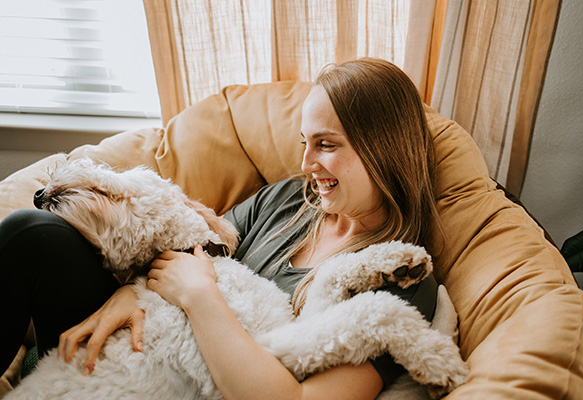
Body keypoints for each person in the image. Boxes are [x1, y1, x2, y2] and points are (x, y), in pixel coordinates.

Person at [0, 57, 443, 399]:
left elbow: (299, 398)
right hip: (142, 345)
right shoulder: (290, 199)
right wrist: (132, 292)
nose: (307, 164)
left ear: (383, 149)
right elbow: (196, 244)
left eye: (326, 145)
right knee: (31, 232)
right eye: (305, 143)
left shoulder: (401, 277)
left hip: (195, 385)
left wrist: (200, 298)